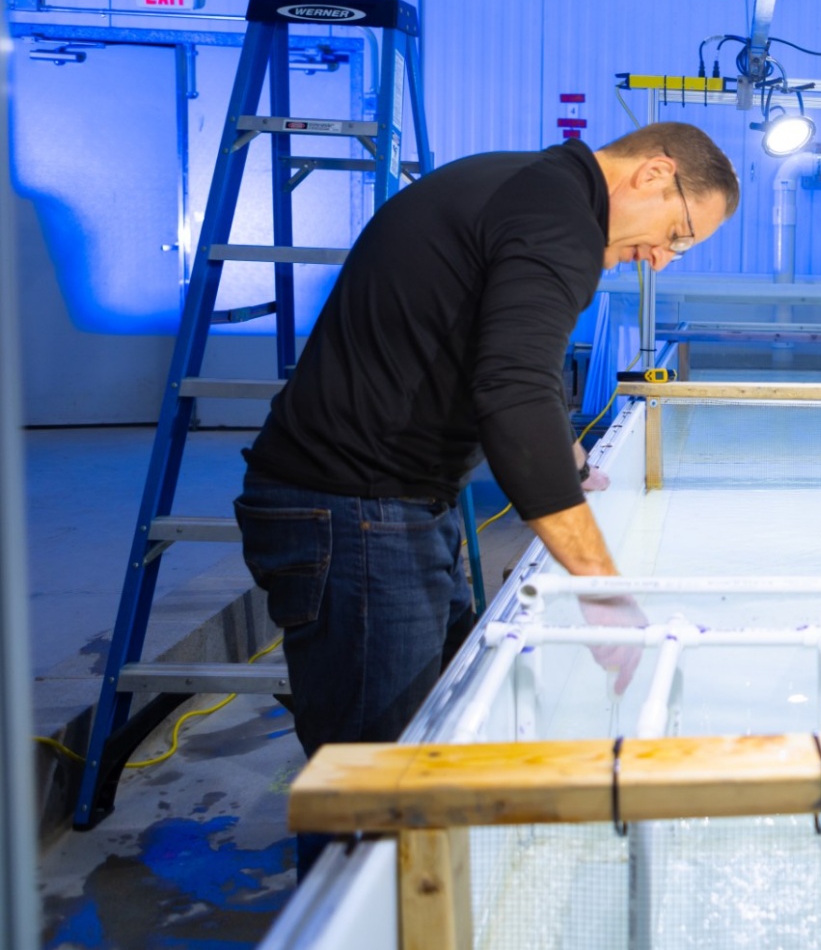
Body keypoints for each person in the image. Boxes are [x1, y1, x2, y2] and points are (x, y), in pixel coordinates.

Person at [236, 122, 738, 783]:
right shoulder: (560, 223)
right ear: (652, 173)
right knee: (380, 790)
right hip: (356, 512)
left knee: (439, 729)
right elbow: (515, 390)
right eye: (678, 236)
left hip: (382, 504)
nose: (662, 259)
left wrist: (561, 456)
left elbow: (481, 351)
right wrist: (603, 591)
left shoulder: (516, 182)